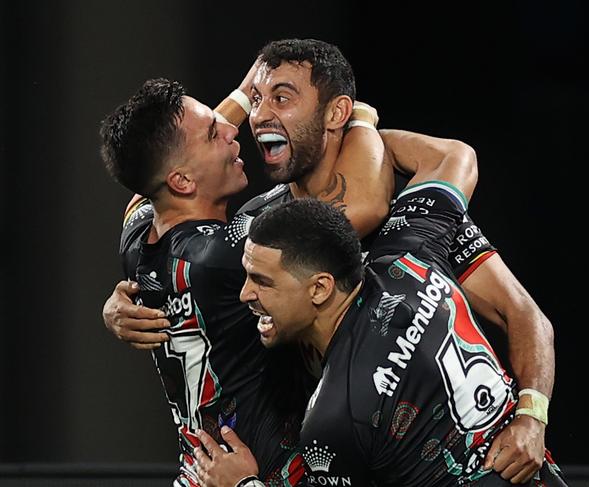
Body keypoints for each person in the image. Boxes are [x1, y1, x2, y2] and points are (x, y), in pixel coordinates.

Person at [103, 39, 556, 483]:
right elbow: (161, 195)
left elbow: (524, 315)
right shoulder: (260, 230)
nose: (255, 117)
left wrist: (532, 417)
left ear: (334, 112)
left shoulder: (408, 207)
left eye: (281, 98)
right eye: (257, 99)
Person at [191, 151, 568, 486]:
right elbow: (450, 157)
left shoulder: (334, 419)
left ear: (320, 288)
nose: (245, 294)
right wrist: (350, 132)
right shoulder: (410, 254)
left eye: (261, 281)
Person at [99, 72, 391, 485]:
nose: (232, 127)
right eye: (213, 134)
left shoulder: (137, 235)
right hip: (260, 475)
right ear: (182, 181)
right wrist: (354, 116)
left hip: (197, 474)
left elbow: (152, 170)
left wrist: (249, 87)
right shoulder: (228, 254)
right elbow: (365, 203)